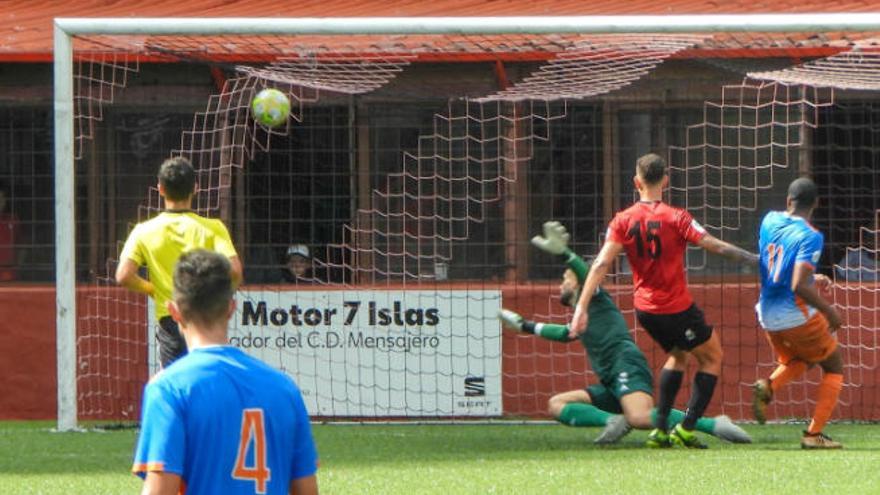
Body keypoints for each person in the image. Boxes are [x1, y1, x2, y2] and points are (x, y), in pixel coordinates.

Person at [499, 221, 750, 445]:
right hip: (610, 379)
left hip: (625, 364)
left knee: (640, 416)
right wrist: (524, 326)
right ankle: (613, 421)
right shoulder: (581, 313)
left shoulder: (595, 298)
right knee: (557, 404)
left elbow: (589, 275)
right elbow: (566, 333)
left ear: (578, 282)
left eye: (566, 278)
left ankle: (713, 424)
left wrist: (566, 254)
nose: (561, 284)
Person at [570, 153, 758, 449]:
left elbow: (600, 264)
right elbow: (712, 244)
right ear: (666, 181)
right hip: (676, 308)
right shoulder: (677, 217)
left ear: (636, 182)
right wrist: (752, 259)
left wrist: (580, 307)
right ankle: (687, 427)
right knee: (712, 357)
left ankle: (659, 430)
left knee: (679, 354)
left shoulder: (622, 220)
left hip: (645, 310)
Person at [132, 249, 318, 494]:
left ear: (174, 311)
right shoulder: (285, 388)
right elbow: (306, 490)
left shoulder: (168, 389)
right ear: (231, 308)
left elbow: (160, 490)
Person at [116, 157, 243, 368]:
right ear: (195, 188)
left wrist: (153, 289)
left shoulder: (143, 230)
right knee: (209, 380)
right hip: (206, 317)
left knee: (178, 385)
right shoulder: (213, 227)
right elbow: (235, 271)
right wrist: (218, 294)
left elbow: (123, 275)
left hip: (171, 318)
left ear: (161, 189)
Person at [752, 177, 845, 449]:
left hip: (766, 314)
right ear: (816, 204)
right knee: (834, 366)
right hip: (795, 315)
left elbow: (778, 266)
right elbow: (796, 285)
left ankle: (769, 386)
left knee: (804, 358)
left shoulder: (769, 220)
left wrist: (813, 278)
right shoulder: (811, 235)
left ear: (787, 201)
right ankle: (813, 435)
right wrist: (830, 313)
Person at [0, 183, 20, 282]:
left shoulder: (13, 220)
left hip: (8, 277)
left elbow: (22, 245)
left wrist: (18, 266)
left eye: (2, 198)